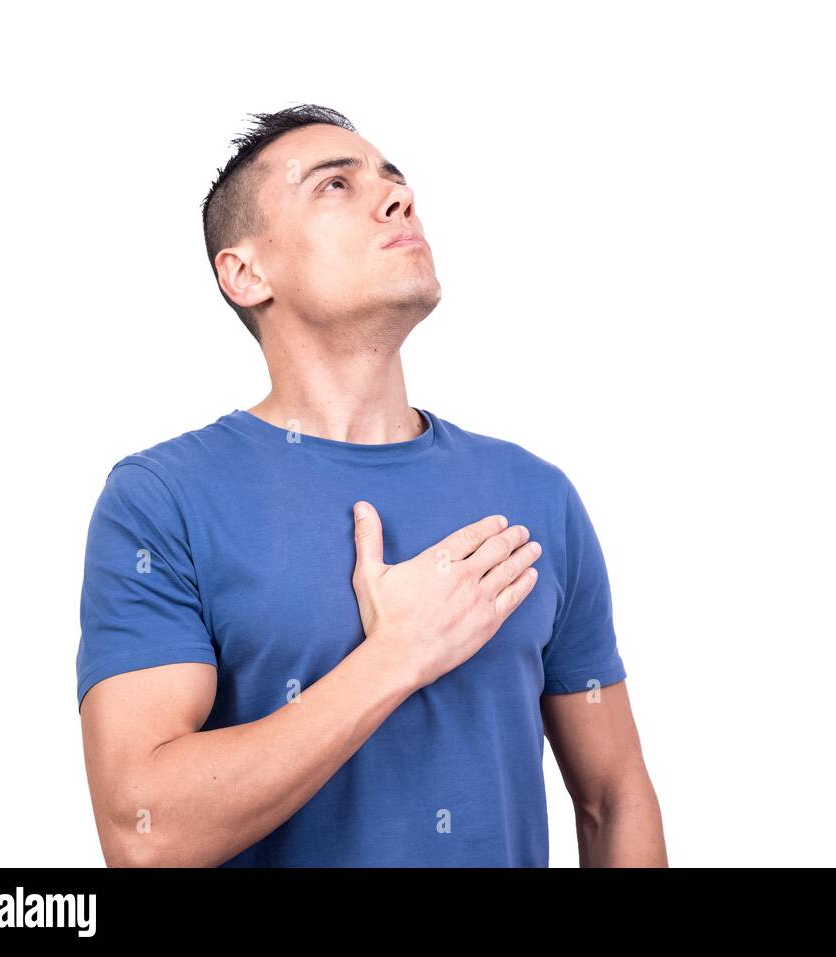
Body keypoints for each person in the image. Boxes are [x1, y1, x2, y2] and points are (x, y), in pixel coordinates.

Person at [75, 104, 666, 867]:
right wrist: (397, 655)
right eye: (333, 185)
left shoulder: (535, 495)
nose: (398, 198)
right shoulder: (161, 501)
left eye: (395, 181)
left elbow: (613, 796)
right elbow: (142, 834)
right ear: (246, 272)